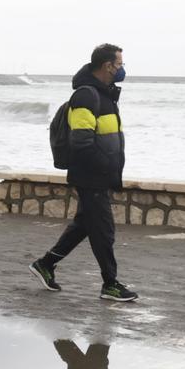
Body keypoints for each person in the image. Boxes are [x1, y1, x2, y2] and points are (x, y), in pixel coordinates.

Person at [30, 43, 138, 302]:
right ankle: (110, 284)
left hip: (99, 175)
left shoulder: (105, 95)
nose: (122, 69)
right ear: (107, 66)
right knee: (104, 230)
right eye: (120, 64)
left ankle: (45, 265)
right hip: (91, 176)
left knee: (84, 226)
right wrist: (105, 166)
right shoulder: (86, 96)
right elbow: (81, 142)